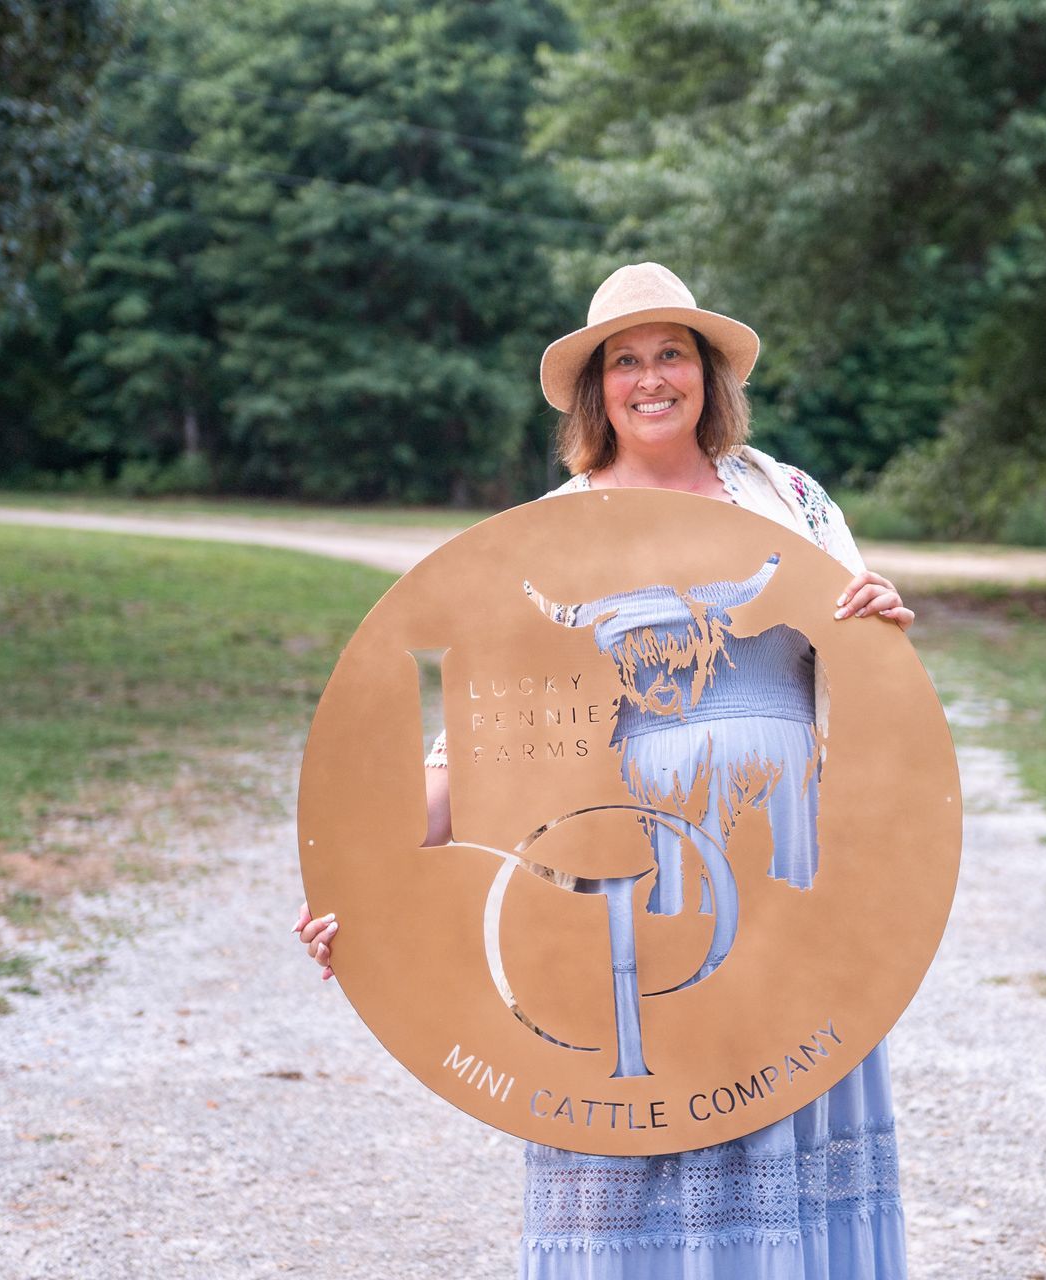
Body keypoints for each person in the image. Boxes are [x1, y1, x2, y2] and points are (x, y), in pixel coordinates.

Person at [293, 262, 913, 1278]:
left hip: (791, 881)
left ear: (710, 374)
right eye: (625, 360)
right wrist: (361, 886)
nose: (651, 377)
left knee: (785, 1128)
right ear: (598, 389)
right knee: (638, 1110)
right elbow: (487, 744)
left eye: (672, 352)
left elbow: (865, 676)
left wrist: (880, 623)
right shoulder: (555, 528)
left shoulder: (788, 496)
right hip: (627, 873)